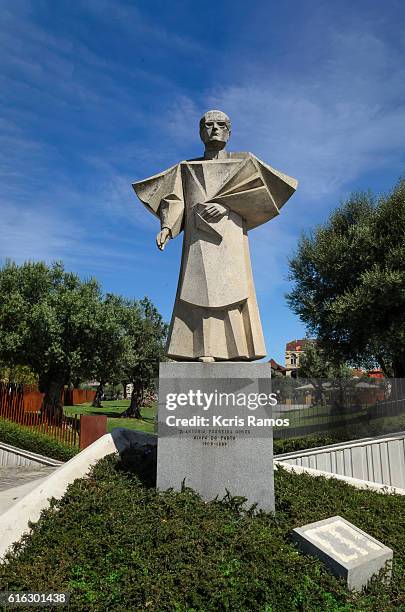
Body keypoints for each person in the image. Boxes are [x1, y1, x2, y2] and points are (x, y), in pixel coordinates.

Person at [133, 110, 297, 362]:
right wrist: (167, 226)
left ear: (230, 132)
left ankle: (238, 351)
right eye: (208, 125)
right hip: (198, 239)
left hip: (229, 236)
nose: (215, 129)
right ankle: (202, 350)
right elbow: (175, 198)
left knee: (233, 291)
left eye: (221, 125)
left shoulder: (243, 165)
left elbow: (261, 192)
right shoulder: (187, 168)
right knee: (197, 292)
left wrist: (227, 205)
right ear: (200, 132)